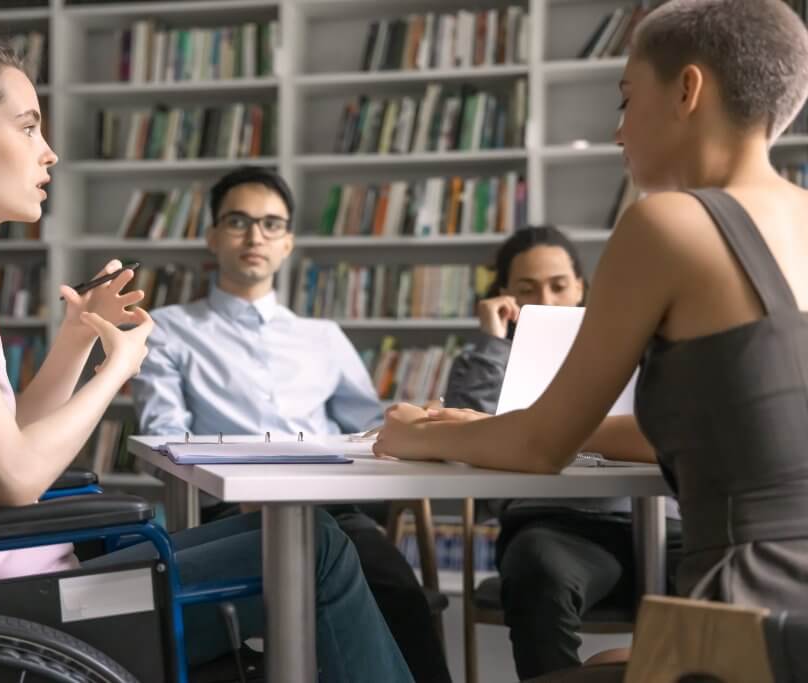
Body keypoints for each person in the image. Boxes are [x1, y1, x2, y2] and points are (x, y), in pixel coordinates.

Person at [0, 37, 412, 682]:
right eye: (29, 126)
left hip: (0, 577)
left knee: (302, 540)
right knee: (313, 552)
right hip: (10, 603)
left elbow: (3, 438)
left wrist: (77, 339)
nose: (50, 152)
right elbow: (14, 478)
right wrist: (116, 369)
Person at [376, 0, 808, 679]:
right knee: (610, 659)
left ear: (688, 90)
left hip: (747, 617)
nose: (617, 133)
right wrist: (511, 424)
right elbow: (739, 426)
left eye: (627, 98)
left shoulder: (668, 223)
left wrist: (415, 434)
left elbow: (539, 446)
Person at [130, 164, 452, 683]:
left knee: (394, 587)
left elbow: (370, 426)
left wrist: (412, 423)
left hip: (330, 507)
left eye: (271, 224)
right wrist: (243, 478)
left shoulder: (323, 336)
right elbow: (164, 436)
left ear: (288, 243)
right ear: (213, 236)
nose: (255, 235)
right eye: (238, 221)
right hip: (229, 511)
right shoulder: (168, 329)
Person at [443, 225, 681, 679]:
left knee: (734, 569)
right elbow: (463, 439)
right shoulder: (489, 359)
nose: (547, 301)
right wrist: (493, 343)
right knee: (537, 570)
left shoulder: (630, 346)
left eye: (558, 286)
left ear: (581, 289)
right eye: (527, 289)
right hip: (555, 528)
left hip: (659, 523)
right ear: (504, 295)